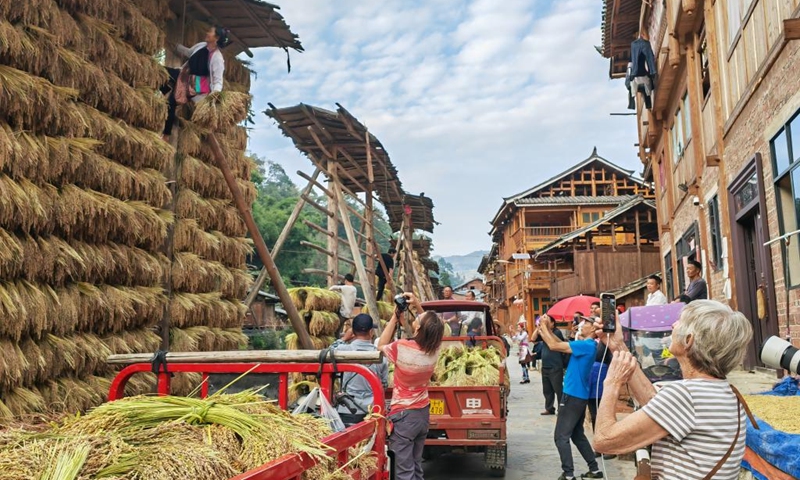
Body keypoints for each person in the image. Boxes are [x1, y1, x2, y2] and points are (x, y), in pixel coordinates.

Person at [592, 300, 753, 480]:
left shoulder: (685, 396)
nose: (674, 325)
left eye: (680, 322)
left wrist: (612, 383)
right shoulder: (724, 390)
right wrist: (618, 346)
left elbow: (603, 441)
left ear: (689, 340)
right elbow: (655, 402)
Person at [378, 292, 445, 480]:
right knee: (416, 466)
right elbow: (432, 329)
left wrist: (393, 318)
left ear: (418, 329)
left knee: (404, 472)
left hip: (404, 415)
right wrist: (417, 304)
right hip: (422, 413)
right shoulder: (434, 349)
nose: (417, 316)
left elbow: (381, 344)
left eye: (418, 318)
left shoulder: (401, 347)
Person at [539, 314, 604, 480]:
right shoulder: (586, 345)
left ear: (594, 330)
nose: (582, 324)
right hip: (578, 396)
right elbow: (556, 342)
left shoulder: (586, 345)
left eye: (587, 323)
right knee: (577, 435)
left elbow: (553, 345)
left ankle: (568, 474)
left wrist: (545, 326)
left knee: (560, 437)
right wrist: (544, 328)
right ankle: (594, 470)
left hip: (573, 396)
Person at [162, 26, 230, 140]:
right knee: (161, 72)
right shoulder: (201, 45)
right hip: (184, 75)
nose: (207, 33)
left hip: (196, 86)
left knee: (172, 102)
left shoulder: (217, 58)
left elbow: (218, 81)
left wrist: (213, 96)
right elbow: (189, 53)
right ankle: (165, 90)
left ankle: (166, 135)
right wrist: (175, 45)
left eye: (210, 32)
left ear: (216, 38)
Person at [331, 313, 388, 425]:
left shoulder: (342, 351)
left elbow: (327, 352)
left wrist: (344, 338)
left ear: (353, 332)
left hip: (347, 409)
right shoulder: (380, 356)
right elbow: (384, 385)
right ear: (371, 332)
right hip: (373, 411)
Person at [530, 319, 566, 415]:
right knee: (547, 390)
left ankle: (561, 408)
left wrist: (544, 330)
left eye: (547, 321)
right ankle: (549, 408)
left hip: (555, 365)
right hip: (545, 365)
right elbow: (533, 339)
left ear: (553, 323)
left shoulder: (557, 332)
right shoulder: (543, 332)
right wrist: (538, 328)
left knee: (558, 389)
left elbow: (552, 341)